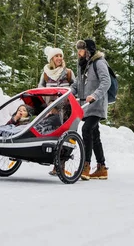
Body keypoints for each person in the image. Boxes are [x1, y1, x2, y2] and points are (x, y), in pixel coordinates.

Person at [71, 39, 111, 180]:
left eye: (81, 50)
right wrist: (67, 93)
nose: (79, 53)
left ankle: (85, 165)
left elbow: (106, 82)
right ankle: (102, 167)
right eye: (78, 50)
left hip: (97, 104)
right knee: (94, 135)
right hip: (86, 106)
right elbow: (77, 84)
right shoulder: (82, 65)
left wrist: (95, 95)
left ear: (88, 51)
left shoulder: (99, 62)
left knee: (86, 130)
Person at [39, 46, 75, 175]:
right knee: (52, 135)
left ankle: (60, 166)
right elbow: (40, 89)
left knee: (63, 137)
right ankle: (52, 161)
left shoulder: (68, 72)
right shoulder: (45, 74)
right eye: (57, 56)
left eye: (61, 56)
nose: (59, 58)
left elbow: (74, 88)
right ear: (51, 59)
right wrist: (49, 104)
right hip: (51, 109)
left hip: (66, 110)